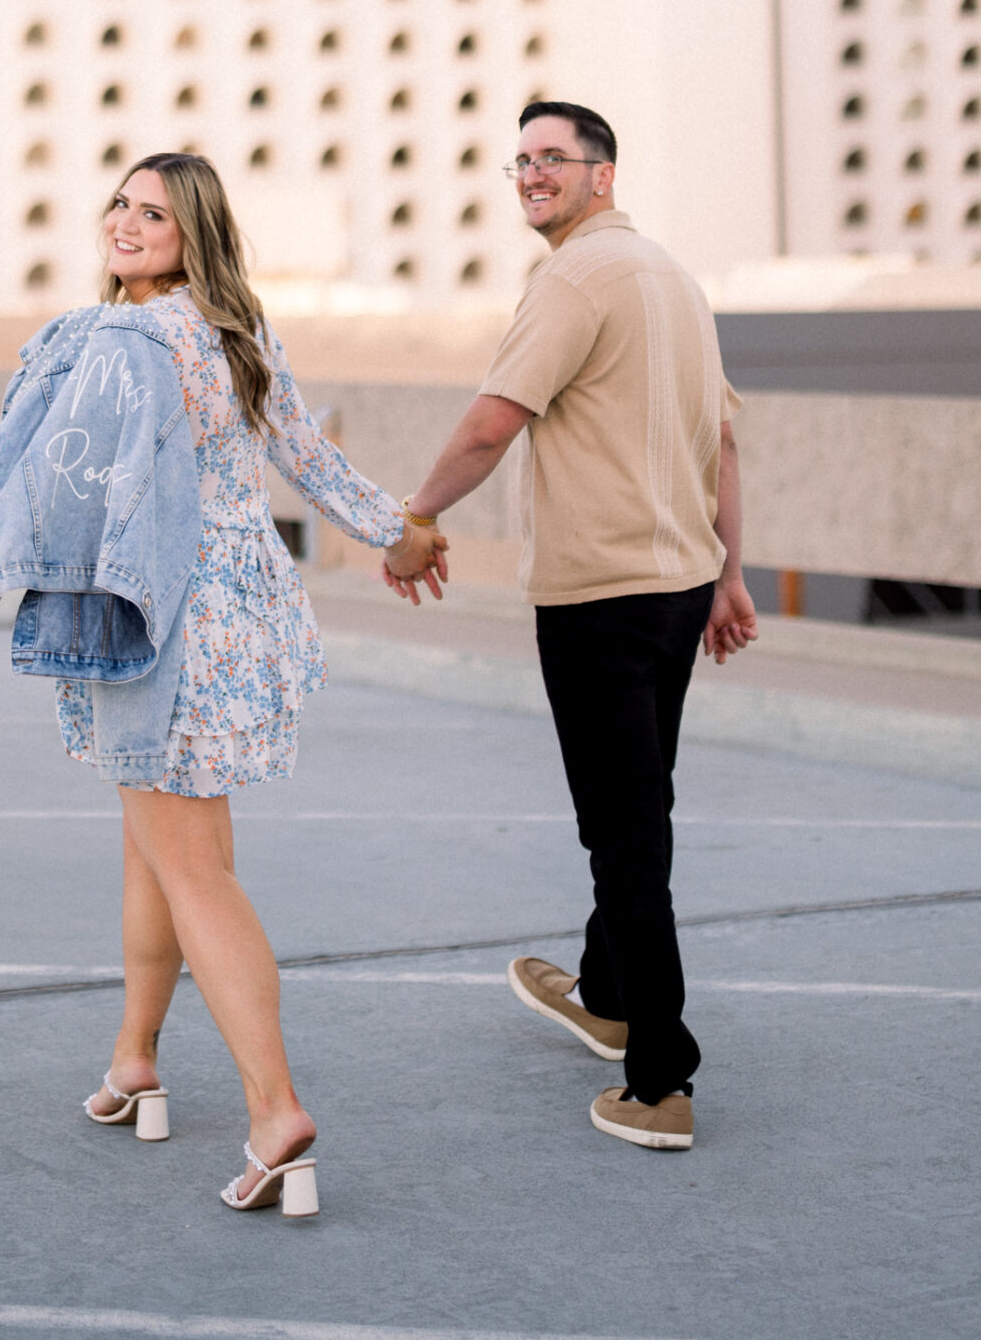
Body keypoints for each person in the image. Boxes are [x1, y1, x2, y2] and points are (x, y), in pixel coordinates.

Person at [62, 152, 445, 1217]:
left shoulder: (122, 339)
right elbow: (306, 455)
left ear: (194, 234)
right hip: (240, 611)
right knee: (161, 843)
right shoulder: (237, 330)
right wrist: (398, 534)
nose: (127, 222)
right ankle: (134, 1058)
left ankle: (275, 1111)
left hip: (157, 613)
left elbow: (83, 484)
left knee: (195, 867)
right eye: (122, 204)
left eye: (154, 213)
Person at [388, 101, 756, 1153]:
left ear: (603, 175)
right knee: (640, 799)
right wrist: (732, 575)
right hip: (678, 583)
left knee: (625, 832)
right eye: (523, 158)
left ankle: (660, 1077)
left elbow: (494, 417)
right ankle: (604, 990)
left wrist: (417, 520)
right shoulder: (672, 276)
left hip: (600, 598)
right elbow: (724, 440)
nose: (532, 172)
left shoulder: (573, 278)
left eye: (555, 157)